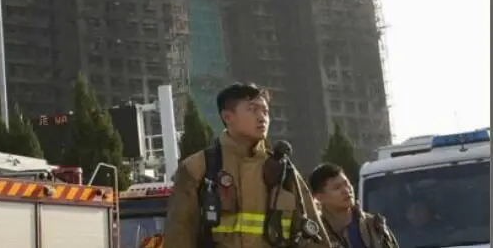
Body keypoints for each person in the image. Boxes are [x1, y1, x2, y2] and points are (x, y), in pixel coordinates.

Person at [162, 83, 329, 247]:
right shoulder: (198, 168)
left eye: (265, 111)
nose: (262, 117)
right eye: (252, 109)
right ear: (228, 117)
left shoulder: (284, 171)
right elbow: (179, 235)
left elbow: (314, 236)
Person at [310, 162, 399, 248]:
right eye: (337, 188)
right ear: (319, 197)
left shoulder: (374, 225)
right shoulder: (317, 236)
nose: (346, 190)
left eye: (347, 184)